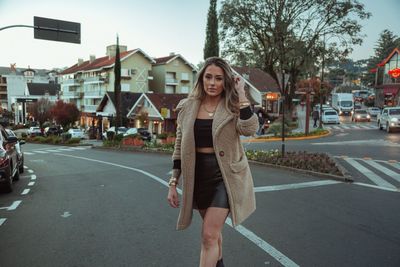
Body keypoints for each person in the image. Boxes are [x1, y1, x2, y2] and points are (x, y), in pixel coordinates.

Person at [167, 57, 258, 267]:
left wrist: (241, 93)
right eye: (208, 77)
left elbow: (249, 129)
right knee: (214, 235)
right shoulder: (188, 107)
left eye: (218, 78)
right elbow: (179, 145)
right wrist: (173, 182)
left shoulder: (233, 106)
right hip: (198, 177)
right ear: (201, 78)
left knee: (208, 235)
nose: (213, 83)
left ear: (225, 81)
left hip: (225, 178)